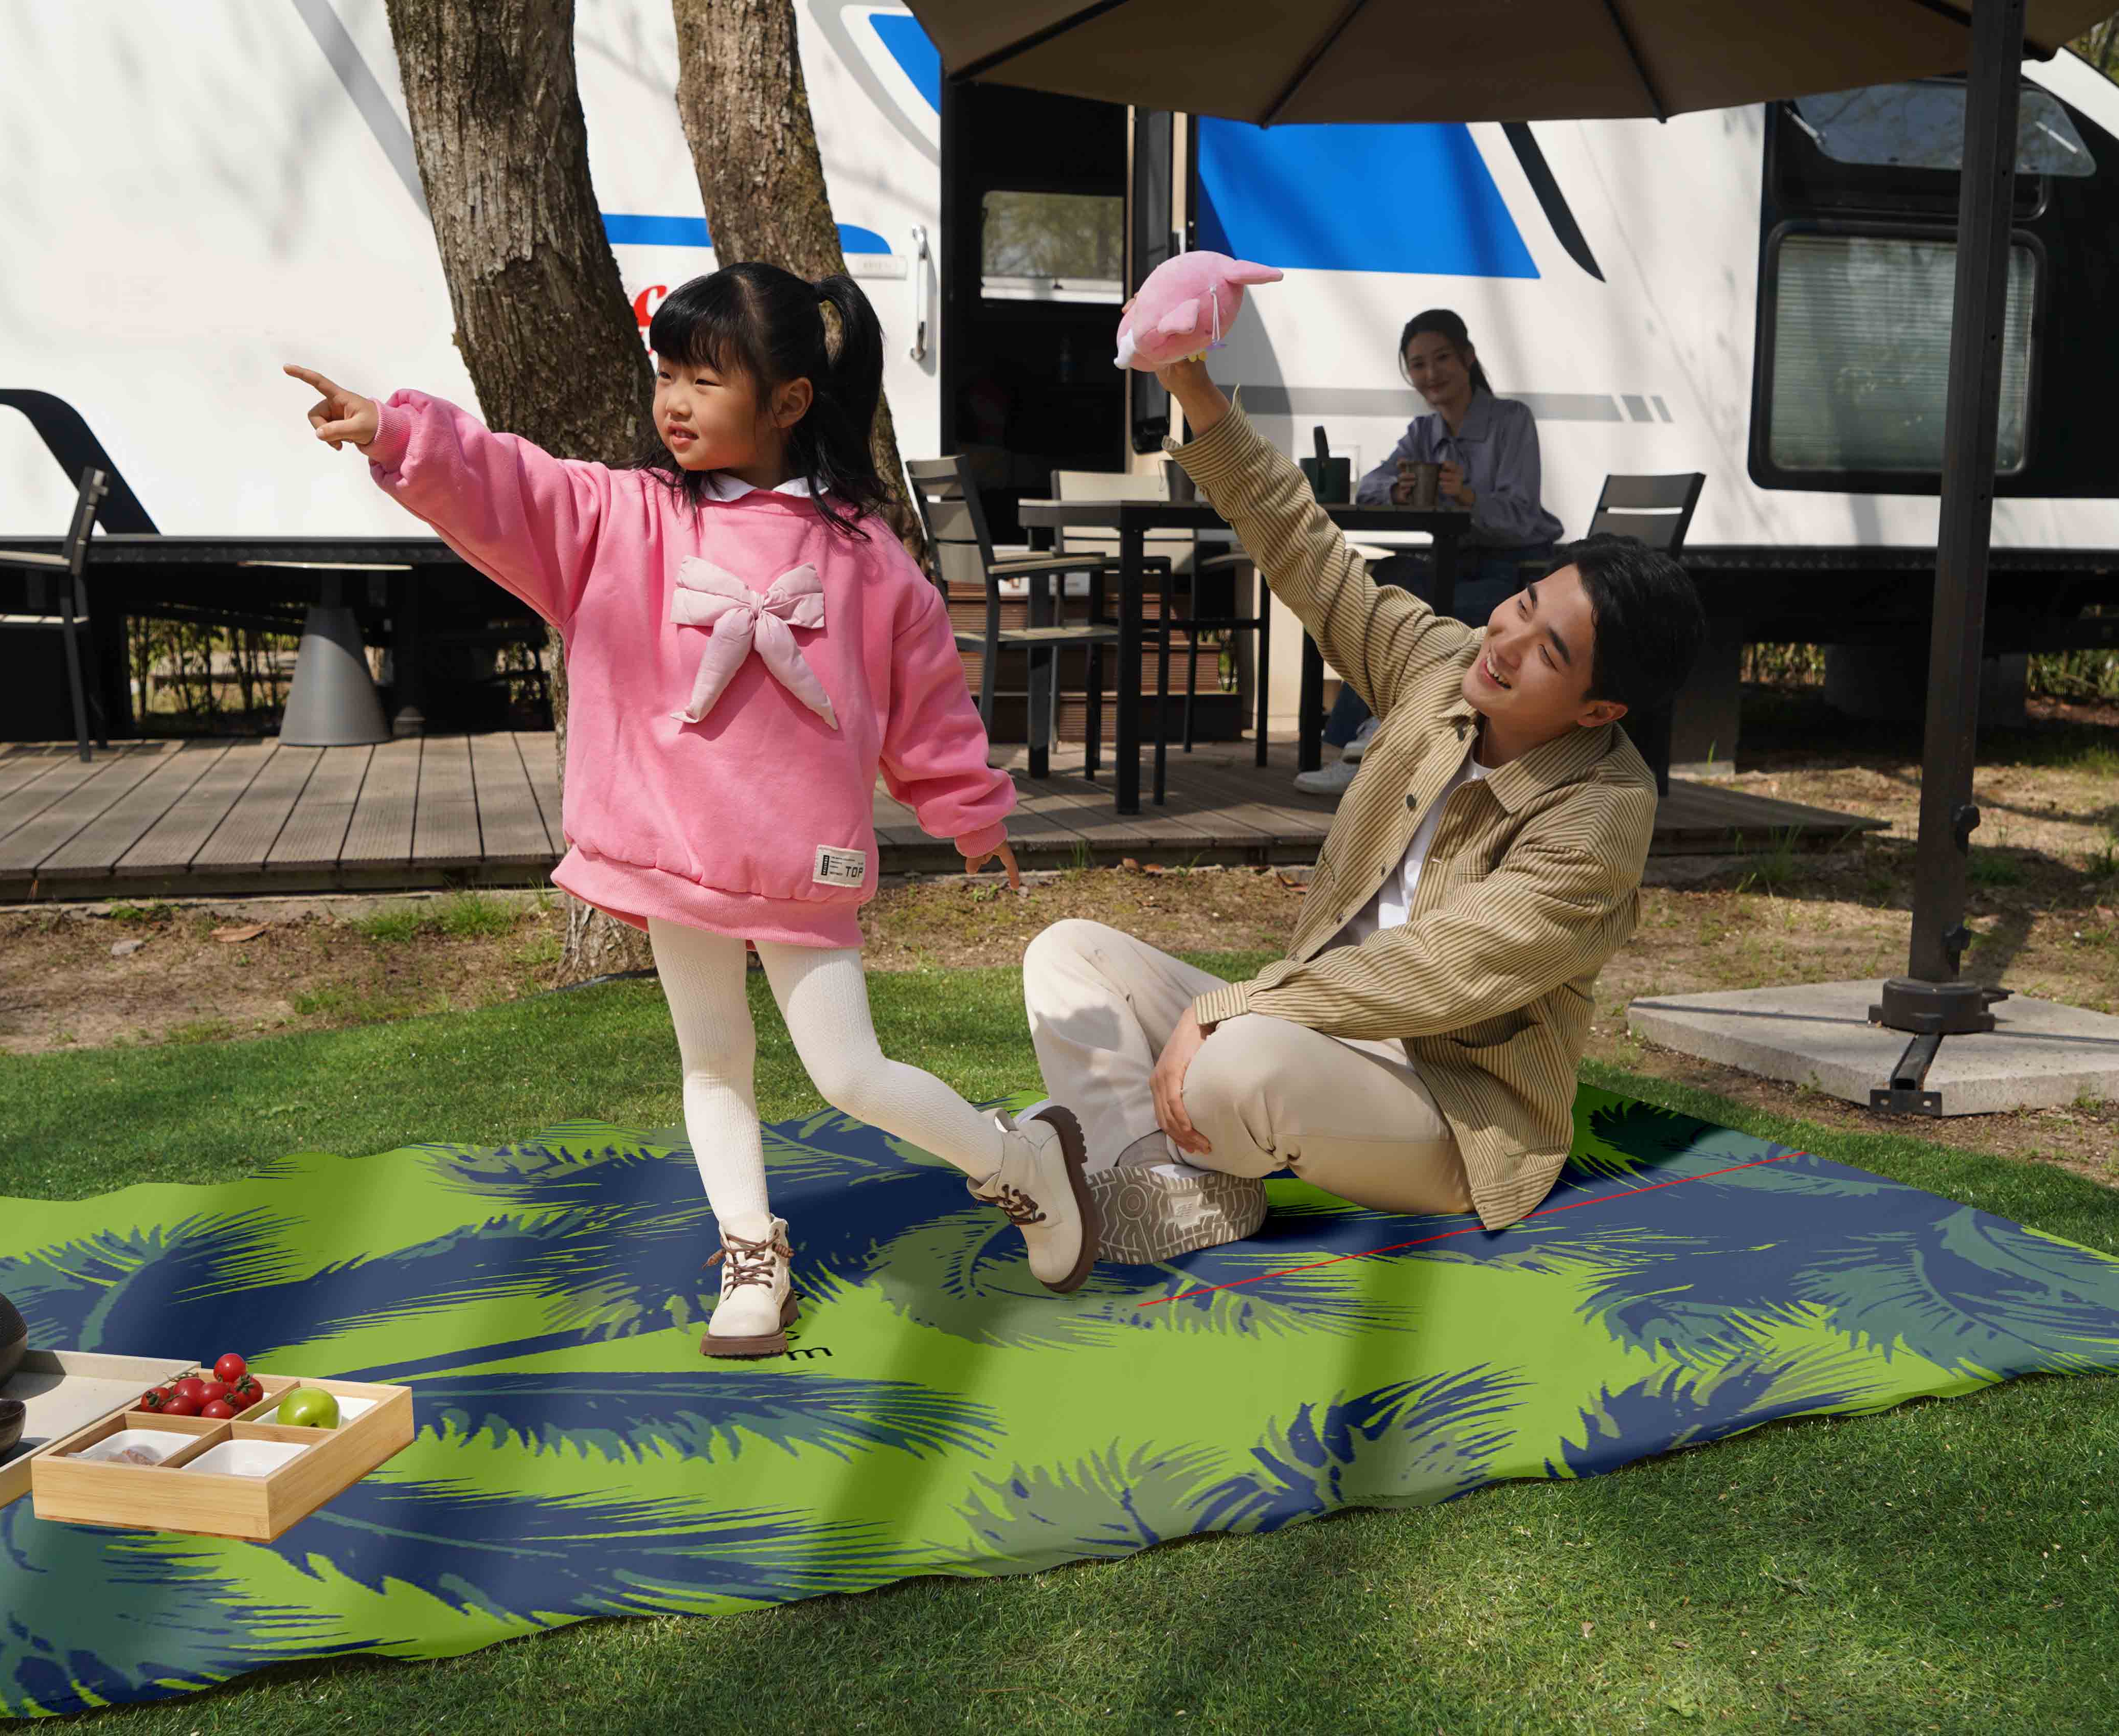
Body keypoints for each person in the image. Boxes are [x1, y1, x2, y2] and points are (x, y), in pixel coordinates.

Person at [285, 263, 1096, 1358]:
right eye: (665, 373)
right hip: (673, 853)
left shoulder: (864, 557)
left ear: (789, 400)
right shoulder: (625, 517)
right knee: (712, 1059)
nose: (672, 401)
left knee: (850, 1073)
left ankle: (1019, 1161)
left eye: (704, 380)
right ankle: (752, 1250)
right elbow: (511, 481)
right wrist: (395, 430)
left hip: (801, 863)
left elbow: (928, 700)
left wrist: (970, 811)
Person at [1023, 351, 1702, 1262]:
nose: (1505, 638)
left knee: (1238, 1064)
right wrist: (1191, 386)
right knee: (1067, 954)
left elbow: (1440, 967)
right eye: (1524, 601)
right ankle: (1162, 1183)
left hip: (1449, 1107)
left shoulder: (1604, 811)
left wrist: (1237, 1005)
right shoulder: (1443, 668)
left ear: (1598, 710)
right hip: (1311, 1025)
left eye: (1548, 651)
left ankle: (1144, 1152)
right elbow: (1312, 557)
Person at [1298, 309, 1565, 798]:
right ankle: (1367, 739)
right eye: (1418, 365)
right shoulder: (1424, 431)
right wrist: (1396, 491)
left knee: (1422, 615)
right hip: (1453, 565)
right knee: (1382, 591)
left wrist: (1468, 497)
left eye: (1442, 358)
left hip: (1515, 576)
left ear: (1467, 358)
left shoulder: (1511, 421)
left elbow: (1522, 516)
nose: (1431, 374)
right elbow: (1371, 486)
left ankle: (1374, 739)